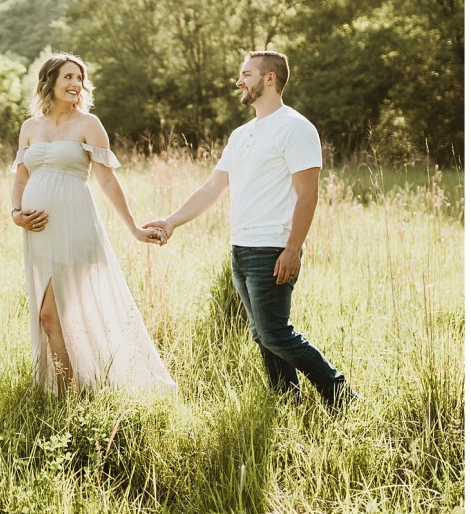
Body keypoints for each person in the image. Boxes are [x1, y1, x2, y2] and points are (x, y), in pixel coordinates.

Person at [144, 50, 358, 408]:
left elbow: (309, 193)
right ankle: (287, 401)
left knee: (276, 333)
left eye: (246, 74)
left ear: (269, 79)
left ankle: (341, 395)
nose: (239, 81)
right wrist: (171, 221)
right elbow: (213, 188)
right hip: (240, 249)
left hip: (272, 248)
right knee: (263, 335)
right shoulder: (241, 134)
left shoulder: (296, 127)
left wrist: (293, 248)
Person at [10, 53, 177, 397]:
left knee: (49, 315)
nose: (76, 84)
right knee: (52, 316)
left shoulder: (89, 124)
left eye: (80, 78)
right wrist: (15, 213)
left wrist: (132, 228)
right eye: (68, 77)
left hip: (75, 225)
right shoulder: (30, 127)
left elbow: (107, 182)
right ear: (49, 82)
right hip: (38, 234)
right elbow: (21, 177)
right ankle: (66, 392)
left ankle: (67, 398)